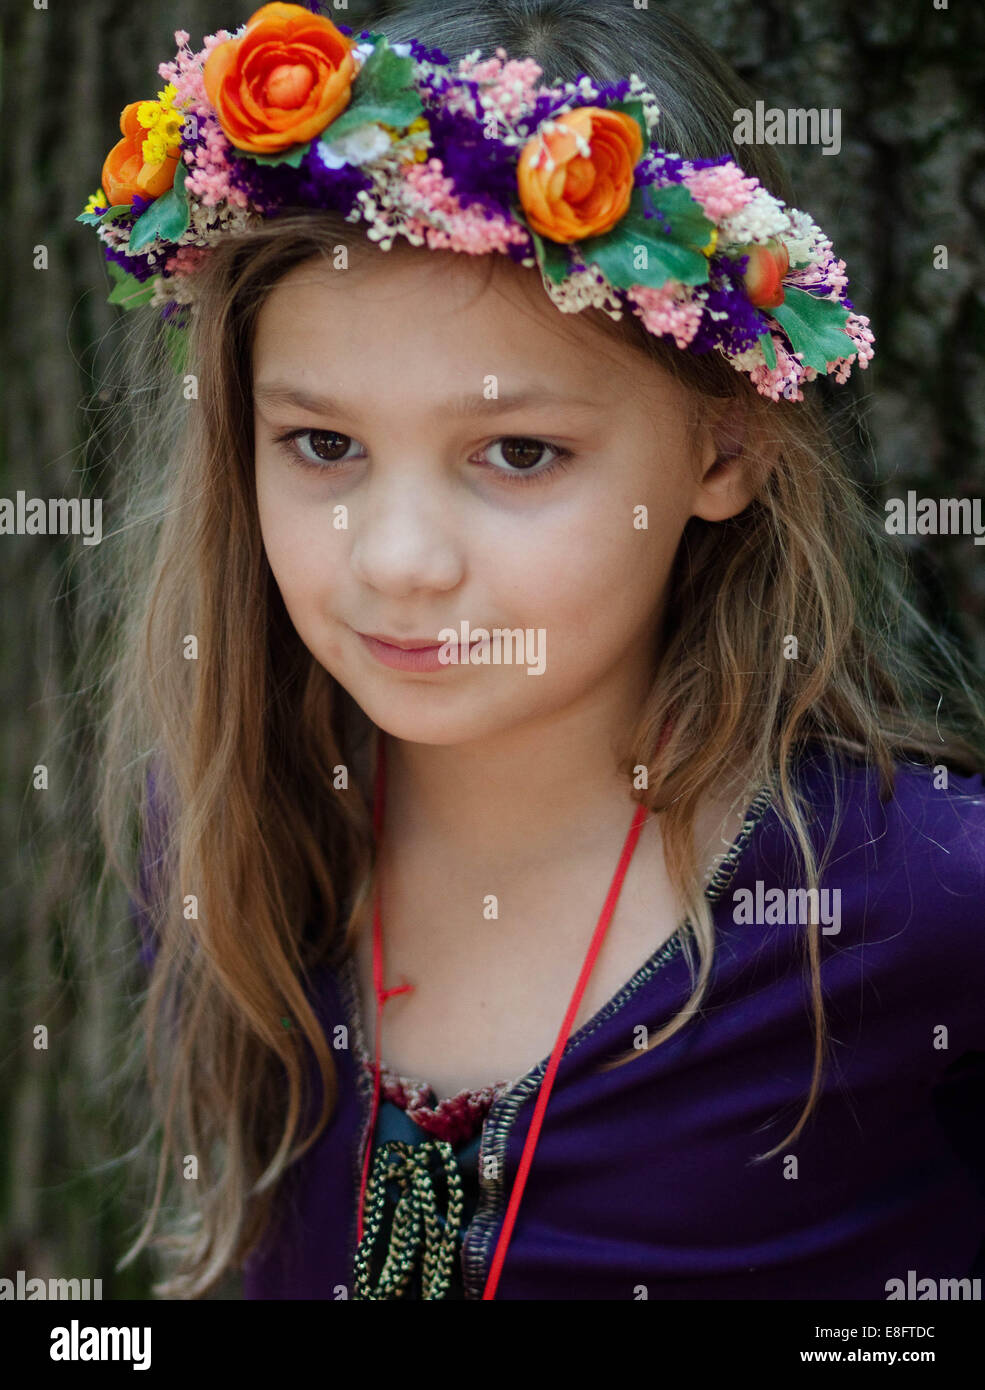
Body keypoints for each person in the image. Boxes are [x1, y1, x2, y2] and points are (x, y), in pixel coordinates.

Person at [83, 0, 985, 1300]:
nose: (396, 559)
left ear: (722, 449)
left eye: (517, 452)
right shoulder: (222, 847)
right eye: (322, 445)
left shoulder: (918, 906)